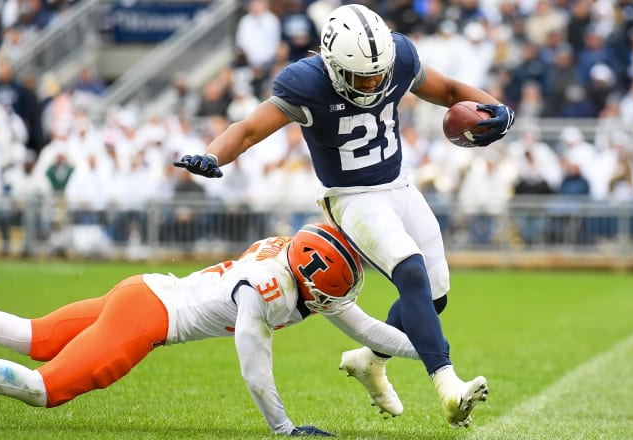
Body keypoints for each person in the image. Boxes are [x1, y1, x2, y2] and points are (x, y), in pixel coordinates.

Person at [174, 4, 514, 427]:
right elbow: (247, 129)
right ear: (332, 64)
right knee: (410, 272)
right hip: (351, 196)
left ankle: (369, 361)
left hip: (399, 185)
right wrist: (213, 153)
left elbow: (447, 92)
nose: (372, 82)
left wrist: (492, 106)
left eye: (378, 73)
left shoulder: (398, 55)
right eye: (361, 75)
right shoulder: (307, 83)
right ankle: (448, 386)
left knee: (436, 293)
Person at [0, 223, 421, 437]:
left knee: (37, 337)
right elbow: (254, 367)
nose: (342, 297)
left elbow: (367, 330)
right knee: (42, 389)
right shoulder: (267, 291)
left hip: (145, 288)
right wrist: (284, 428)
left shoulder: (285, 260)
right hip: (146, 317)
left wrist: (432, 355)